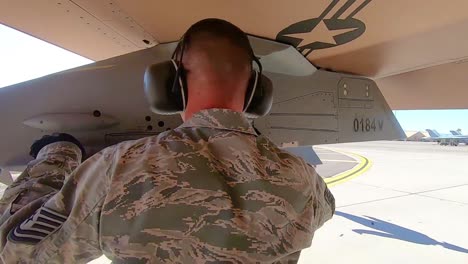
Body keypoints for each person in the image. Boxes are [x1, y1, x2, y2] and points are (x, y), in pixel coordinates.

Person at [0, 19, 335, 263]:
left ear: (170, 84)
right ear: (256, 93)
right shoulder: (303, 178)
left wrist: (56, 153)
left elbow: (15, 251)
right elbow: (325, 209)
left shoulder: (119, 168)